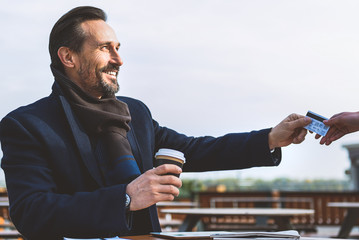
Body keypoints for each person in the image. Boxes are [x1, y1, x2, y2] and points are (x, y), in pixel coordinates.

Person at [0, 6, 311, 240]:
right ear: (69, 57)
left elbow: (196, 149)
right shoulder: (26, 124)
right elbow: (32, 213)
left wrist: (270, 138)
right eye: (105, 48)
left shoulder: (136, 114)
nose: (118, 59)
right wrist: (126, 198)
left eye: (118, 48)